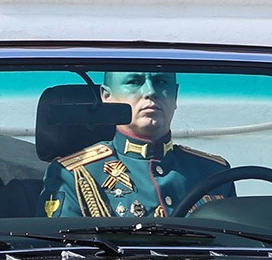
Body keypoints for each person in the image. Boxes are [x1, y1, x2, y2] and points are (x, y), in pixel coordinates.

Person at [40, 70, 233, 218]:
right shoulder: (74, 175)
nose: (150, 92)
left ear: (175, 96)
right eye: (134, 82)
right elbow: (63, 256)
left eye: (161, 82)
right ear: (107, 97)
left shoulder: (214, 172)